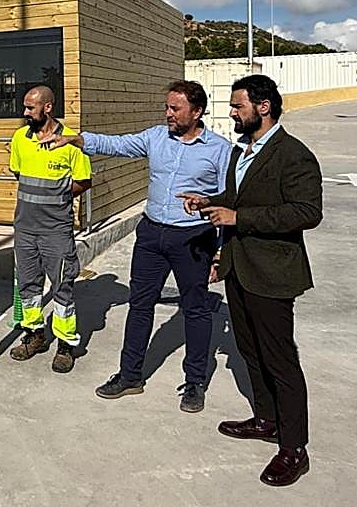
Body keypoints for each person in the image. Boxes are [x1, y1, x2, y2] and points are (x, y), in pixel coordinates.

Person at [39, 80, 231, 412]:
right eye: (167, 106)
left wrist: (220, 251)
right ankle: (130, 376)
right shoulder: (156, 136)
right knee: (140, 306)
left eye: (175, 108)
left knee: (196, 311)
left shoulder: (220, 149)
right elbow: (118, 144)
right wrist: (77, 139)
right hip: (151, 235)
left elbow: (230, 199)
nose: (168, 113)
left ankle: (195, 382)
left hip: (193, 239)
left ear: (197, 111)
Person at [179, 74, 322, 488]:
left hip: (273, 272)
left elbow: (306, 212)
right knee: (250, 351)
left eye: (238, 105)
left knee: (280, 360)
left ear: (263, 107)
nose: (232, 112)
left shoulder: (293, 154)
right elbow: (238, 200)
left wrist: (239, 218)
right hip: (238, 269)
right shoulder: (241, 152)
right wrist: (210, 202)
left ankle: (294, 448)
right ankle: (266, 419)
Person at [7, 85, 92, 373]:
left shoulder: (68, 142)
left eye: (30, 108)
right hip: (25, 230)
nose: (25, 112)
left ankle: (66, 345)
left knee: (62, 288)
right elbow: (19, 172)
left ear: (47, 108)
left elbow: (84, 180)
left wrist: (58, 196)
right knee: (29, 287)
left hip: (56, 231)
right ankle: (34, 335)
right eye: (25, 107)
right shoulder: (20, 138)